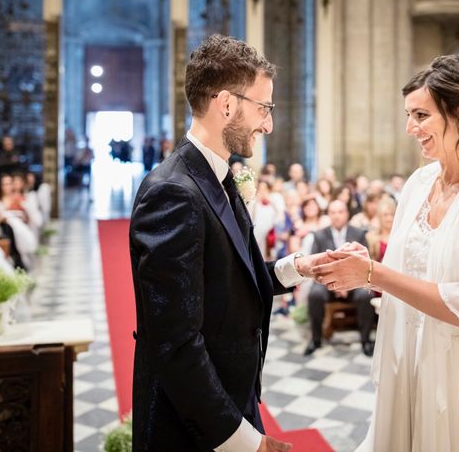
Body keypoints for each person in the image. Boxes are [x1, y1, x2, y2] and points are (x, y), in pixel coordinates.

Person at [312, 55, 459, 451]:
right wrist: (361, 261)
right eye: (409, 116)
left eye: (421, 115)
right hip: (407, 360)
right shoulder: (419, 184)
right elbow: (402, 273)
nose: (411, 128)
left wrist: (372, 273)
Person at [129, 34, 325, 452]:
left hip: (230, 401)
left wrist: (298, 267)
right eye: (264, 108)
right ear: (227, 104)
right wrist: (245, 442)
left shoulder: (215, 173)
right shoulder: (173, 191)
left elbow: (227, 278)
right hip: (193, 427)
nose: (268, 124)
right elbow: (175, 341)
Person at [305, 200, 376, 357]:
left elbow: (365, 263)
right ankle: (315, 339)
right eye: (333, 212)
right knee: (314, 294)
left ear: (347, 213)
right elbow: (314, 266)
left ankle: (365, 340)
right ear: (329, 215)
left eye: (340, 212)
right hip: (326, 283)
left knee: (366, 295)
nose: (337, 216)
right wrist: (335, 284)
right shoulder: (319, 235)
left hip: (353, 282)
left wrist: (346, 284)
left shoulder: (358, 234)